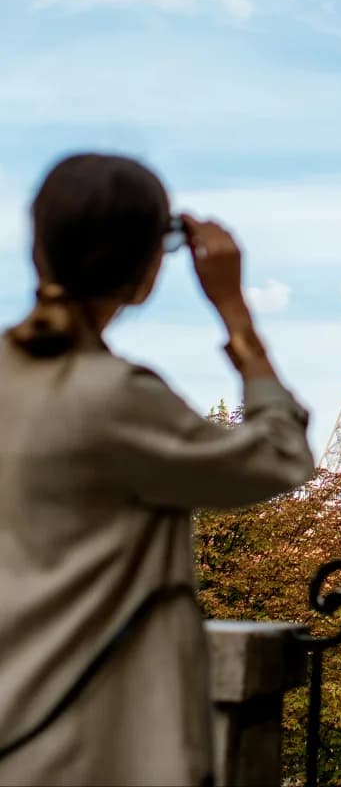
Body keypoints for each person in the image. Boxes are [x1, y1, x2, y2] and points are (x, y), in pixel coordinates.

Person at [0, 153, 315, 785]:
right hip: (87, 746)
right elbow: (282, 456)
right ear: (148, 273)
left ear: (38, 251)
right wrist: (235, 313)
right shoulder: (118, 398)